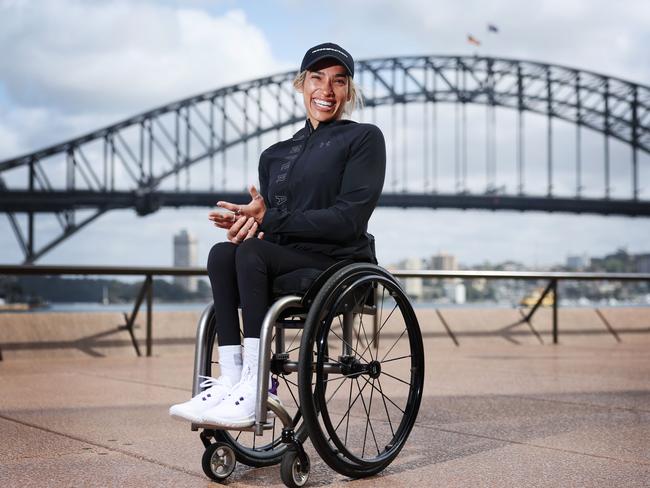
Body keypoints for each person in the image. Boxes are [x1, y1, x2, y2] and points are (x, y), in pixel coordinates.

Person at [169, 42, 386, 429]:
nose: (327, 90)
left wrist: (271, 220)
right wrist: (251, 224)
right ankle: (233, 379)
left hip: (338, 263)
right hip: (285, 258)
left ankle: (259, 387)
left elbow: (348, 220)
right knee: (224, 254)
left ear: (349, 91)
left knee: (252, 254)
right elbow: (273, 222)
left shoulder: (364, 138)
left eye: (339, 81)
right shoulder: (275, 154)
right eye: (317, 79)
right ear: (300, 85)